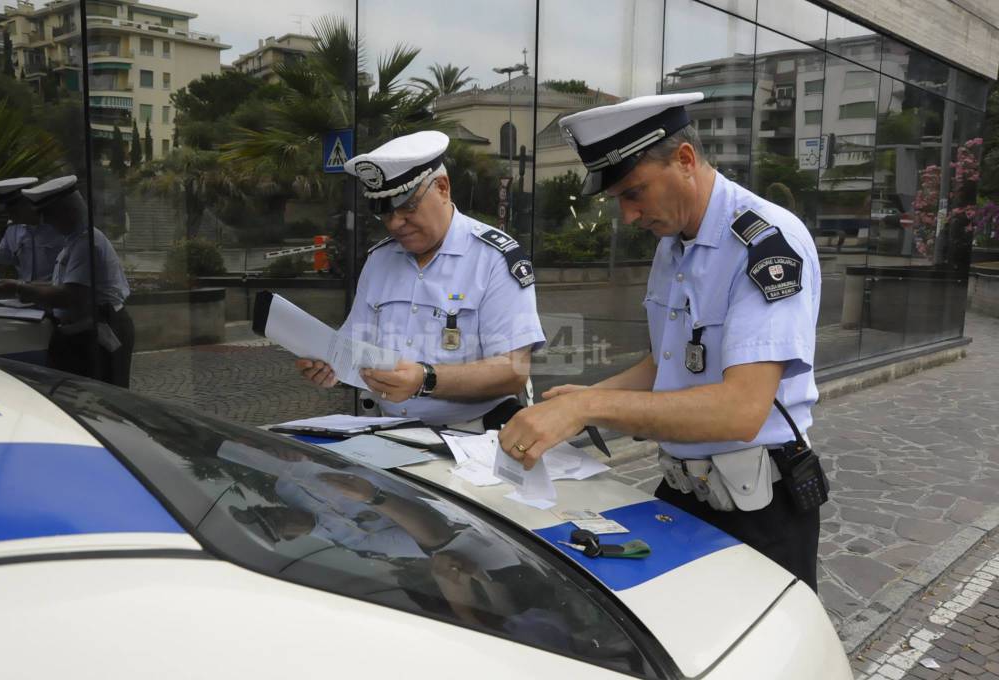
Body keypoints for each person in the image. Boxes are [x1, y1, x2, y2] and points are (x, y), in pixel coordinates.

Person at [497, 93, 826, 591]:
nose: (629, 216)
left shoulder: (765, 244)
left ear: (686, 160)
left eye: (634, 192)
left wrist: (592, 408)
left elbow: (742, 409)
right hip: (685, 492)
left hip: (760, 510)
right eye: (619, 201)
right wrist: (581, 400)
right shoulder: (674, 245)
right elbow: (667, 364)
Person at [296, 130, 546, 430]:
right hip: (387, 429)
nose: (396, 223)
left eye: (407, 207)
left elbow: (513, 370)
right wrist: (330, 366)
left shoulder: (493, 259)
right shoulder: (379, 260)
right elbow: (354, 346)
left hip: (472, 436)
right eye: (385, 214)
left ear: (442, 188)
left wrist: (424, 379)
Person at [0, 176, 135, 387]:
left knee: (102, 401)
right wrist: (22, 286)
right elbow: (60, 286)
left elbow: (69, 296)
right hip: (85, 330)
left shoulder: (87, 245)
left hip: (101, 329)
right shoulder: (75, 241)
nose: (47, 222)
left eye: (49, 215)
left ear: (68, 211)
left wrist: (18, 288)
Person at [0, 177, 65, 282]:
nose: (10, 216)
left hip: (58, 294)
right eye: (7, 212)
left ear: (30, 202)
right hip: (24, 295)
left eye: (14, 211)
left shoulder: (58, 226)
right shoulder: (13, 229)